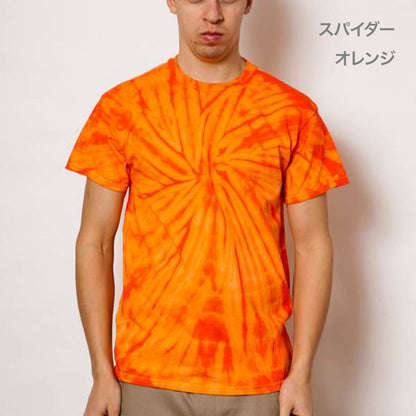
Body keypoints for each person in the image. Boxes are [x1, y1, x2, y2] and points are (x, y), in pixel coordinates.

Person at [65, 0, 350, 415]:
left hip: (260, 379)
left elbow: (313, 246)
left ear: (248, 3)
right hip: (145, 377)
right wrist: (100, 373)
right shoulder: (123, 108)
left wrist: (301, 373)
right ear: (172, 2)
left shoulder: (293, 113)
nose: (212, 14)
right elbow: (95, 242)